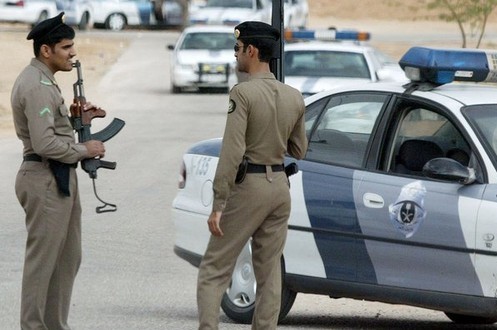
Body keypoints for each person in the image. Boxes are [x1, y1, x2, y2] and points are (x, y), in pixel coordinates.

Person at [196, 21, 308, 330]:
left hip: (250, 188)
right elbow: (299, 149)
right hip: (279, 189)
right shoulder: (293, 96)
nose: (235, 55)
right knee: (269, 271)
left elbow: (232, 152)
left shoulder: (242, 93)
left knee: (214, 269)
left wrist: (219, 202)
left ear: (252, 50)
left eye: (237, 48)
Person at [11, 12, 105, 330]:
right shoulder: (36, 85)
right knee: (43, 263)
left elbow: (55, 131)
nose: (73, 53)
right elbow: (44, 143)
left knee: (67, 258)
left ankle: (54, 324)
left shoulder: (46, 82)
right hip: (44, 177)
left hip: (57, 177)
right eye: (66, 47)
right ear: (46, 50)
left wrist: (83, 122)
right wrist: (85, 149)